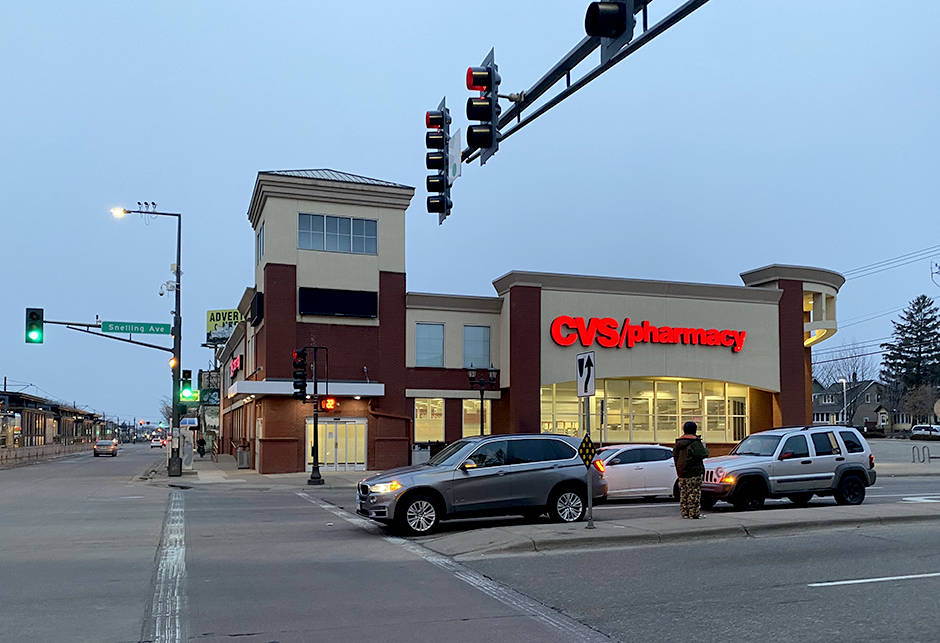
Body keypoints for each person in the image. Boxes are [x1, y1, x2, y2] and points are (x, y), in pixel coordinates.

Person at [673, 421, 709, 519]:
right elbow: (702, 454)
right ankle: (694, 514)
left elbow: (675, 457)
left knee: (684, 493)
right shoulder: (695, 442)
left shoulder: (678, 443)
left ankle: (685, 513)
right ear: (694, 430)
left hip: (682, 472)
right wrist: (706, 449)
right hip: (694, 471)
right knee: (694, 493)